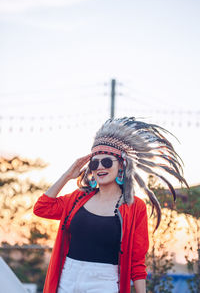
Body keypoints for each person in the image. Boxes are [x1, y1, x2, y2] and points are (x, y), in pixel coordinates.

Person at [33, 117, 188, 293]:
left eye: (106, 161)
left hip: (104, 281)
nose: (100, 167)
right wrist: (68, 174)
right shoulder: (77, 198)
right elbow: (41, 208)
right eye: (94, 163)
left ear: (122, 165)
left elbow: (137, 262)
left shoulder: (134, 207)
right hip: (68, 277)